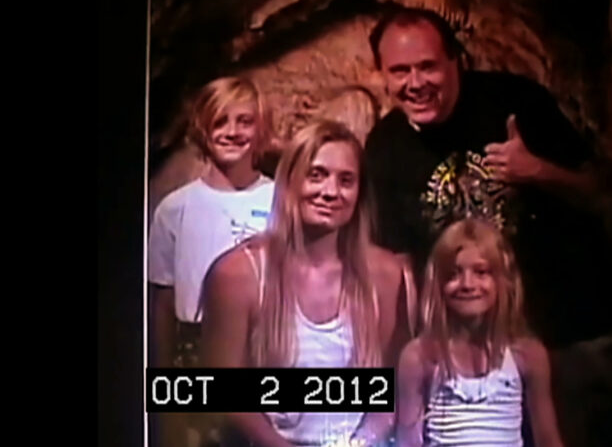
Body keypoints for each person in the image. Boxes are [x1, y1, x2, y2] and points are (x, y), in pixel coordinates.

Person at [364, 5, 612, 352]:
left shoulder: (516, 103)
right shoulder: (385, 145)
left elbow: (603, 192)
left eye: (427, 66)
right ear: (381, 75)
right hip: (468, 348)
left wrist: (538, 170)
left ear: (456, 60)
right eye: (400, 71)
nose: (416, 83)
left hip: (566, 334)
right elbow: (398, 260)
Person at [200, 121, 412, 447]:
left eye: (346, 181)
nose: (330, 192)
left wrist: (360, 443)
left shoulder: (386, 275)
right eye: (316, 175)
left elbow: (393, 387)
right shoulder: (238, 275)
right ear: (290, 182)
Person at [148, 75, 275, 447]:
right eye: (220, 121)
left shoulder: (281, 201)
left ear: (261, 129)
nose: (232, 132)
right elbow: (163, 304)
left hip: (263, 350)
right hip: (196, 354)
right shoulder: (175, 209)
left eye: (244, 121)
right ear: (203, 129)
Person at [396, 218, 564, 447]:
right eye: (453, 274)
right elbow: (408, 442)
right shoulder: (420, 357)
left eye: (481, 272)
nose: (467, 284)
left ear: (501, 280)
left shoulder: (528, 355)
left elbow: (548, 440)